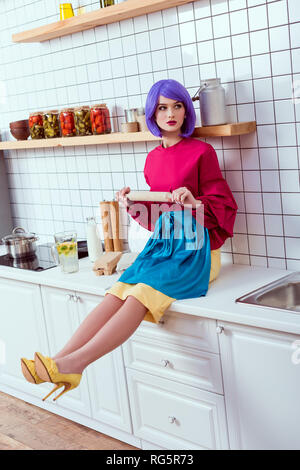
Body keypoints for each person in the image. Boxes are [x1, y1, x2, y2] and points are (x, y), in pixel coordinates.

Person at [20, 79, 238, 402]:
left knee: (138, 296)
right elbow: (157, 220)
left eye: (177, 106)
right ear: (152, 113)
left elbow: (225, 210)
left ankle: (75, 365)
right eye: (163, 107)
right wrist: (132, 205)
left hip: (196, 250)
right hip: (162, 247)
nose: (171, 113)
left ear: (186, 110)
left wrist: (193, 203)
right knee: (116, 292)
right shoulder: (151, 160)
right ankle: (58, 359)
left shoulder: (203, 153)